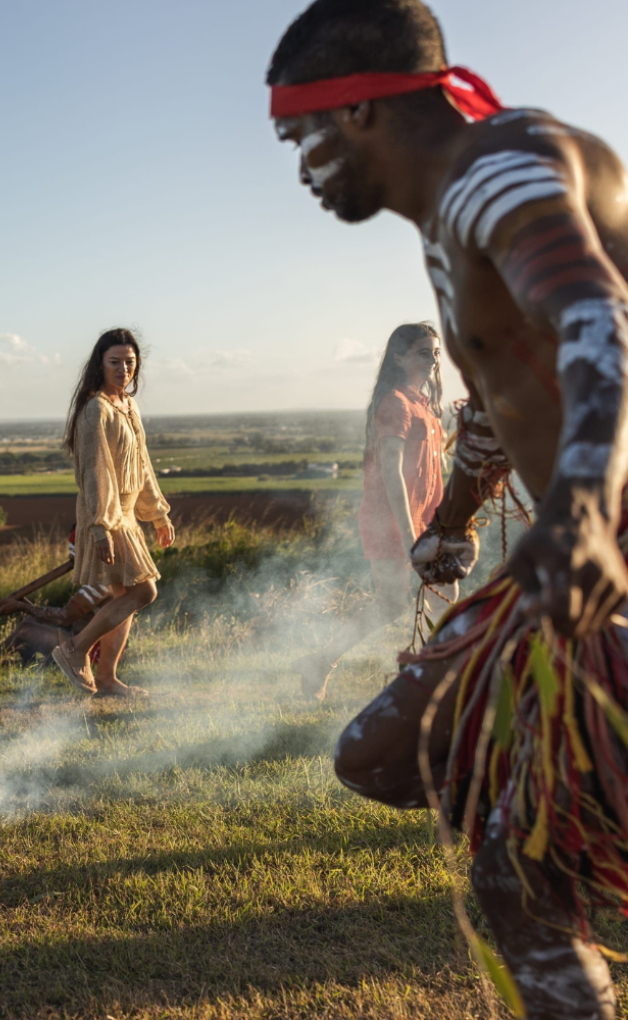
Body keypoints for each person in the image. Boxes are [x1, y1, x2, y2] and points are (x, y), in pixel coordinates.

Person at [270, 1, 628, 1015]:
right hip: (574, 556)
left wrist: (585, 511)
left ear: (365, 110)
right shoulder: (463, 203)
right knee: (387, 759)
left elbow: (599, 323)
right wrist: (462, 516)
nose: (301, 166)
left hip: (597, 552)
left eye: (303, 136)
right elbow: (507, 396)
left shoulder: (497, 171)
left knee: (510, 874)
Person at [296, 321, 454, 699]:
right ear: (398, 357)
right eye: (422, 352)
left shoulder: (425, 405)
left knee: (444, 594)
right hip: (394, 522)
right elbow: (391, 472)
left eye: (435, 352)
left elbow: (435, 471)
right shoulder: (395, 404)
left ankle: (438, 679)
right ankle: (322, 661)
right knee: (392, 605)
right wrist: (410, 534)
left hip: (429, 520)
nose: (432, 359)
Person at [51, 329, 175, 697]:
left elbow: (142, 465)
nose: (124, 369)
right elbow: (96, 472)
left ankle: (106, 679)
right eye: (115, 362)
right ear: (100, 365)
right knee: (143, 592)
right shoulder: (96, 410)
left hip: (127, 516)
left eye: (130, 362)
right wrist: (102, 526)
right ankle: (74, 649)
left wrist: (157, 513)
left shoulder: (128, 405)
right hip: (106, 515)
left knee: (126, 601)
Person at [0, 528, 113, 667]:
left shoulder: (102, 584)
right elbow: (71, 618)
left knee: (26, 630)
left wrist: (21, 607)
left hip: (94, 651)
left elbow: (65, 618)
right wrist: (27, 607)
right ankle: (29, 663)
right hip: (79, 639)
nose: (71, 560)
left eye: (74, 556)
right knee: (31, 620)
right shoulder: (98, 578)